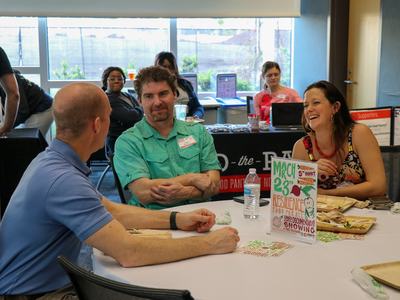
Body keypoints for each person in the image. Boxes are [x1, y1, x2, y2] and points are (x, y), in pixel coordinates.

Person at [0, 82, 239, 298]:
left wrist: (177, 219)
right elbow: (129, 252)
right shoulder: (63, 179)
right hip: (36, 294)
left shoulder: (53, 161)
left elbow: (112, 211)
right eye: (109, 117)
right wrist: (211, 244)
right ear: (97, 125)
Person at [114, 66, 220, 209]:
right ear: (139, 100)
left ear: (174, 95)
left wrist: (184, 193)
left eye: (163, 94)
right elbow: (143, 192)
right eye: (149, 96)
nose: (157, 102)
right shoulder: (128, 142)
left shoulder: (198, 133)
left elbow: (213, 184)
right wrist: (192, 178)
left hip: (203, 218)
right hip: (155, 223)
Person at [292, 80, 386, 200]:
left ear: (335, 107)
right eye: (305, 105)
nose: (309, 109)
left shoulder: (359, 133)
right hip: (322, 217)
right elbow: (293, 191)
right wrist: (310, 172)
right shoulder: (301, 147)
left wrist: (327, 193)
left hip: (364, 214)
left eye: (316, 103)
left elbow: (378, 186)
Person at [0, 48, 53, 137]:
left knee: (27, 145)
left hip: (42, 108)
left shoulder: (9, 83)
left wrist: (4, 127)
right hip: (27, 108)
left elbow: (21, 110)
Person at [101, 66, 143, 153]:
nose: (117, 81)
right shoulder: (107, 99)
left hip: (133, 138)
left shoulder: (126, 95)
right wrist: (139, 110)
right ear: (106, 81)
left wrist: (138, 111)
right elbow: (129, 117)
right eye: (112, 79)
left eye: (120, 79)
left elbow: (138, 111)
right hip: (117, 141)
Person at [154, 51, 204, 119]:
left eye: (170, 67)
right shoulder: (152, 87)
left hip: (185, 124)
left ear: (175, 69)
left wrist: (196, 115)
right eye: (164, 67)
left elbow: (198, 107)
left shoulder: (185, 85)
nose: (167, 70)